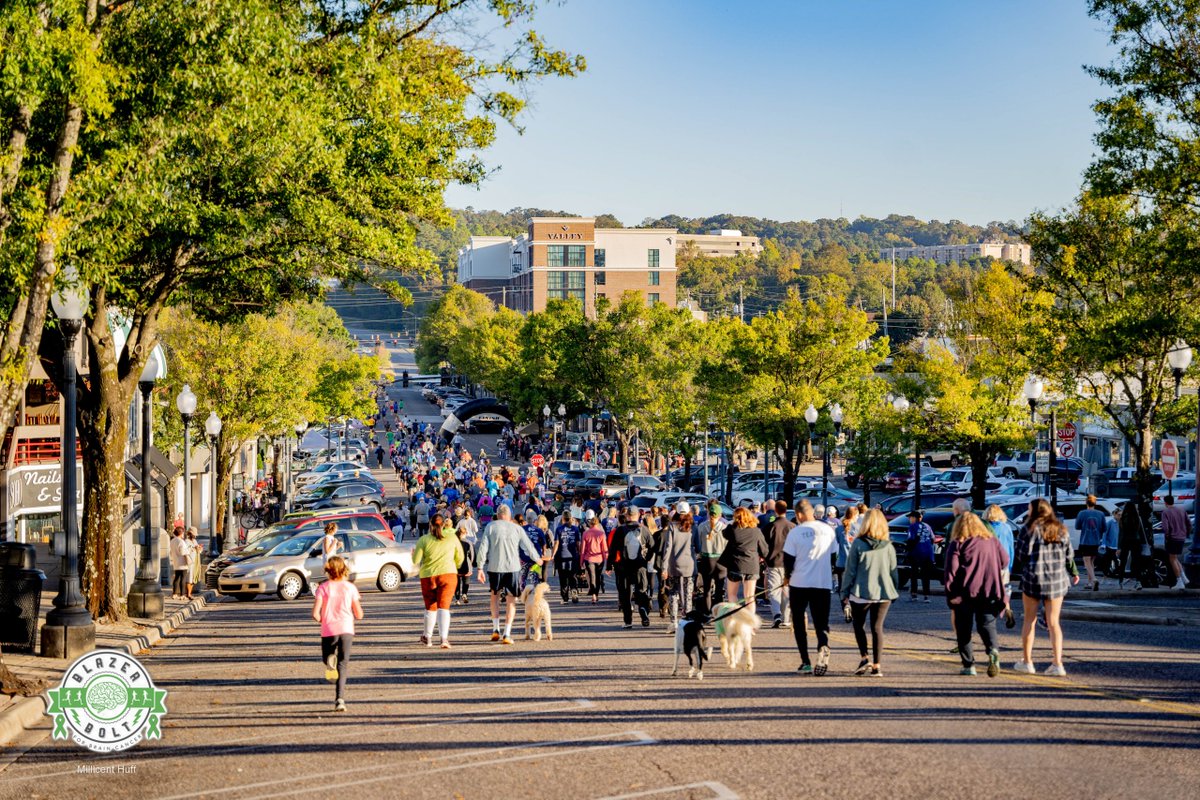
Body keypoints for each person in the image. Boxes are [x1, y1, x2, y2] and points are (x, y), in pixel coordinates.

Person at [1013, 497, 1079, 676]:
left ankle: (1027, 661)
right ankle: (1057, 663)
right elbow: (1069, 555)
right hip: (1057, 579)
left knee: (1029, 621)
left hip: (1034, 578)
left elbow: (1021, 554)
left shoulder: (1028, 529)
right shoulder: (1061, 530)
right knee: (1054, 623)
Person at [944, 512, 1008, 677]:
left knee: (964, 628)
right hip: (989, 590)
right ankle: (992, 649)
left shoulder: (957, 543)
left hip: (965, 591)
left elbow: (951, 570)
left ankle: (969, 665)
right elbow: (1005, 560)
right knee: (986, 624)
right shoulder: (992, 542)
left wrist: (951, 593)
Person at [840, 509, 897, 677]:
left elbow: (850, 570)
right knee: (877, 627)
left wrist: (844, 591)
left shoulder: (858, 544)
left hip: (861, 591)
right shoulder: (888, 545)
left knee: (859, 625)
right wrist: (894, 588)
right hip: (884, 592)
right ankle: (877, 665)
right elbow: (894, 571)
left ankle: (864, 657)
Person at [476, 504, 544, 644]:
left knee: (494, 597)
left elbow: (483, 547)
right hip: (512, 567)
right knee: (511, 600)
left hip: (494, 567)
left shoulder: (491, 527)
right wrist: (538, 559)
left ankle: (495, 629)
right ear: (509, 514)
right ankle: (507, 633)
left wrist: (480, 568)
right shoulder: (517, 528)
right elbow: (527, 546)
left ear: (497, 514)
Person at [783, 500, 837, 676]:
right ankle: (823, 645)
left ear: (798, 515)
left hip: (799, 582)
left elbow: (788, 560)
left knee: (799, 622)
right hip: (822, 582)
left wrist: (786, 577)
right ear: (812, 512)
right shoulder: (828, 530)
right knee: (821, 621)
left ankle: (805, 661)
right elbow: (833, 556)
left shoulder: (795, 533)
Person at [312, 555, 363, 712]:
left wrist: (324, 620)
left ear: (328, 571)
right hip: (346, 629)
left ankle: (329, 662)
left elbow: (315, 614)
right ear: (344, 569)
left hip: (329, 629)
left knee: (328, 659)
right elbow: (359, 614)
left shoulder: (323, 588)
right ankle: (340, 699)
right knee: (343, 664)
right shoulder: (350, 588)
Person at [412, 513, 465, 648]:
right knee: (444, 607)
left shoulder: (423, 540)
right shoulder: (452, 538)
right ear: (443, 525)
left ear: (430, 525)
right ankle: (443, 639)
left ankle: (428, 637)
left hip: (428, 576)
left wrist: (413, 554)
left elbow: (416, 561)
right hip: (448, 574)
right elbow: (460, 557)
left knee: (430, 608)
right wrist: (455, 565)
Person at [608, 507, 653, 628]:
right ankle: (643, 610)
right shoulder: (644, 529)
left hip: (624, 567)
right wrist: (647, 558)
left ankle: (628, 621)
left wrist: (609, 565)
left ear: (627, 516)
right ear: (638, 515)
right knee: (641, 591)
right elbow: (653, 546)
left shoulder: (620, 530)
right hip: (640, 566)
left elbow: (613, 549)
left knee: (625, 594)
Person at [719, 506, 769, 604]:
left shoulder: (732, 529)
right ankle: (749, 618)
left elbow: (724, 534)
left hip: (735, 566)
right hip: (751, 566)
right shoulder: (756, 531)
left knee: (732, 595)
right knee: (749, 597)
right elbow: (764, 550)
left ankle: (735, 617)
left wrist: (734, 524)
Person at [661, 502, 697, 632]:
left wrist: (664, 567)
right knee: (688, 593)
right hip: (689, 564)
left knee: (673, 592)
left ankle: (674, 621)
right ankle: (687, 620)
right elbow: (697, 546)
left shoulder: (672, 526)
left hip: (674, 564)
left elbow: (668, 548)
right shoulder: (693, 526)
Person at [983, 504, 1017, 628]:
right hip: (1005, 563)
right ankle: (1007, 608)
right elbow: (1011, 548)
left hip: (990, 563)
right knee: (1004, 588)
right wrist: (1010, 565)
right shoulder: (1007, 528)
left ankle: (992, 614)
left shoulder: (985, 528)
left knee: (990, 590)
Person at [762, 500, 793, 629]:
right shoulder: (792, 526)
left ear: (776, 510)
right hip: (788, 563)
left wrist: (764, 558)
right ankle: (786, 618)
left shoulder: (770, 526)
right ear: (786, 510)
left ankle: (776, 615)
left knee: (773, 590)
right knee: (786, 590)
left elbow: (763, 545)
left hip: (773, 562)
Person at [693, 501, 728, 608]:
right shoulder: (724, 527)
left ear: (708, 513)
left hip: (706, 559)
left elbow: (698, 545)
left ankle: (707, 611)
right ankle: (718, 613)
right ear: (720, 515)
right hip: (721, 560)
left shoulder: (702, 527)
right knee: (719, 589)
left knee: (707, 590)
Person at [1075, 495, 1107, 591]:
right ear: (1095, 503)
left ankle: (1094, 579)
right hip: (1096, 541)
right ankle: (1089, 583)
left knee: (1086, 561)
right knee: (1091, 562)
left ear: (1086, 503)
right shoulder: (1101, 514)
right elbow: (1104, 528)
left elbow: (1077, 526)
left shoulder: (1082, 513)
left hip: (1085, 540)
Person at [1160, 494, 1191, 590]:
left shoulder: (1165, 512)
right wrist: (1186, 533)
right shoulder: (1182, 510)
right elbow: (1189, 523)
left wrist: (1167, 536)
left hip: (1172, 538)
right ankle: (1184, 577)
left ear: (1165, 502)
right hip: (1181, 537)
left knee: (1172, 559)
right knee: (1175, 557)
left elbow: (1165, 527)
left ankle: (1179, 581)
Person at [580, 509, 610, 603]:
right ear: (597, 524)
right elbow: (605, 549)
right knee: (597, 576)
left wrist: (581, 561)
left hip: (589, 559)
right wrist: (608, 562)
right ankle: (596, 594)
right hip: (599, 559)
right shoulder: (601, 534)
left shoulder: (585, 533)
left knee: (592, 576)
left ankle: (593, 595)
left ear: (590, 524)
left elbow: (583, 550)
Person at [906, 510, 936, 601]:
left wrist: (908, 550)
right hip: (927, 553)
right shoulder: (927, 526)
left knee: (914, 573)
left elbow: (911, 539)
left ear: (914, 518)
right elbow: (933, 539)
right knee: (926, 574)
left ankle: (914, 594)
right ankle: (926, 595)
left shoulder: (912, 526)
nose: (909, 519)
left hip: (916, 552)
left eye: (910, 517)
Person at [553, 510, 583, 604]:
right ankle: (574, 590)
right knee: (572, 576)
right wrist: (580, 553)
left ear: (562, 518)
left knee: (563, 578)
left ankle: (565, 597)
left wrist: (553, 555)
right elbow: (578, 543)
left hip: (561, 555)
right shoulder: (575, 529)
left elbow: (556, 543)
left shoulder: (559, 529)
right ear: (571, 518)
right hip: (573, 556)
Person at [169, 526, 190, 600]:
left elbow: (171, 552)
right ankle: (182, 594)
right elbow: (183, 552)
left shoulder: (172, 541)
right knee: (183, 578)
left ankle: (174, 594)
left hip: (175, 561)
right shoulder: (181, 541)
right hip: (182, 562)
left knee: (176, 578)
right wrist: (188, 551)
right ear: (181, 533)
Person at [185, 528, 202, 599]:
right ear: (190, 534)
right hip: (190, 561)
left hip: (196, 561)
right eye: (194, 534)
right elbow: (186, 551)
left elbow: (199, 550)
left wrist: (199, 548)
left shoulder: (195, 541)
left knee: (193, 577)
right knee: (189, 577)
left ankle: (190, 593)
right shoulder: (186, 541)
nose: (195, 536)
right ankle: (188, 594)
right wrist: (194, 548)